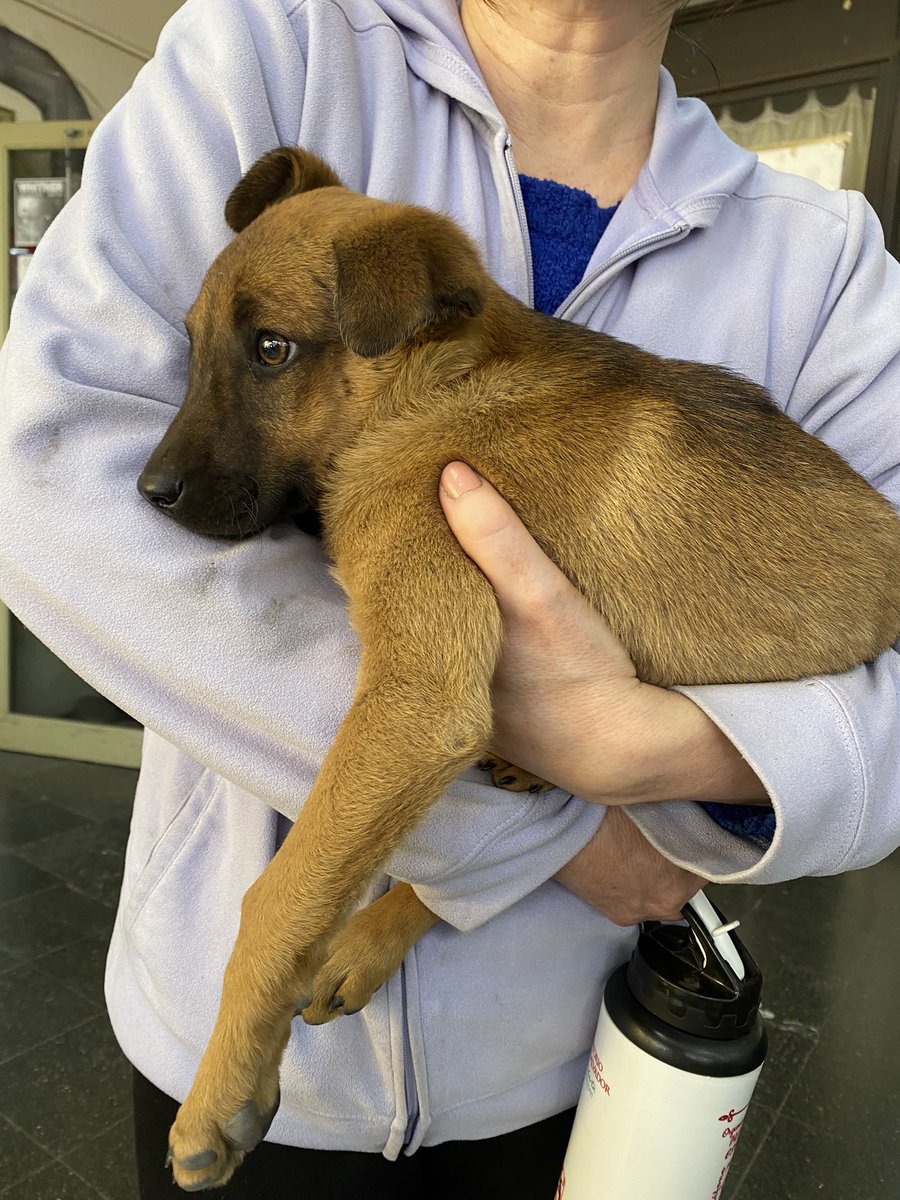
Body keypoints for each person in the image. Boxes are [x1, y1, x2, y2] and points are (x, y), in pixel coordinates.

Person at [0, 0, 898, 1195]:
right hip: (272, 1089)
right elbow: (50, 472)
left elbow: (426, 711)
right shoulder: (272, 46)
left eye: (267, 355)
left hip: (572, 1063)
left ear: (400, 320)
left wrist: (676, 755)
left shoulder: (819, 252)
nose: (181, 449)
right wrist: (559, 827)